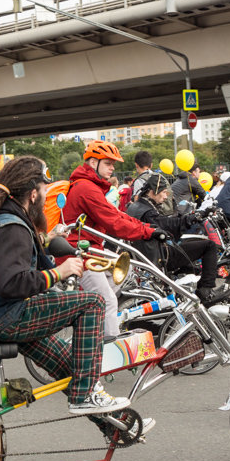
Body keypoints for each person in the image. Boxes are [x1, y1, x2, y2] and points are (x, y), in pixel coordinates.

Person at [0, 155, 138, 418]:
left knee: (72, 367)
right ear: (32, 194)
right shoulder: (12, 227)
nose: (45, 197)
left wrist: (47, 247)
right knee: (93, 302)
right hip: (8, 318)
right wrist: (58, 272)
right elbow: (12, 284)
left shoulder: (5, 218)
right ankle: (85, 395)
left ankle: (117, 426)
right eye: (43, 191)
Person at [60, 141, 162, 336]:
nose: (112, 168)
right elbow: (114, 222)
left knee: (125, 267)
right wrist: (147, 232)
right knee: (108, 301)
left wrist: (147, 228)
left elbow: (117, 215)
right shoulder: (86, 188)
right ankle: (109, 348)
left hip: (91, 248)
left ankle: (92, 315)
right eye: (108, 163)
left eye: (112, 164)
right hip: (80, 253)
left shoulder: (91, 186)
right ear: (92, 162)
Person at [126, 173, 230, 305]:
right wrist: (195, 217)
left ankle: (185, 293)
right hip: (161, 255)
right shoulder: (148, 211)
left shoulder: (137, 206)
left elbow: (165, 223)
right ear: (153, 192)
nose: (165, 196)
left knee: (190, 255)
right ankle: (206, 291)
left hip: (148, 254)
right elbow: (168, 225)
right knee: (209, 246)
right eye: (163, 192)